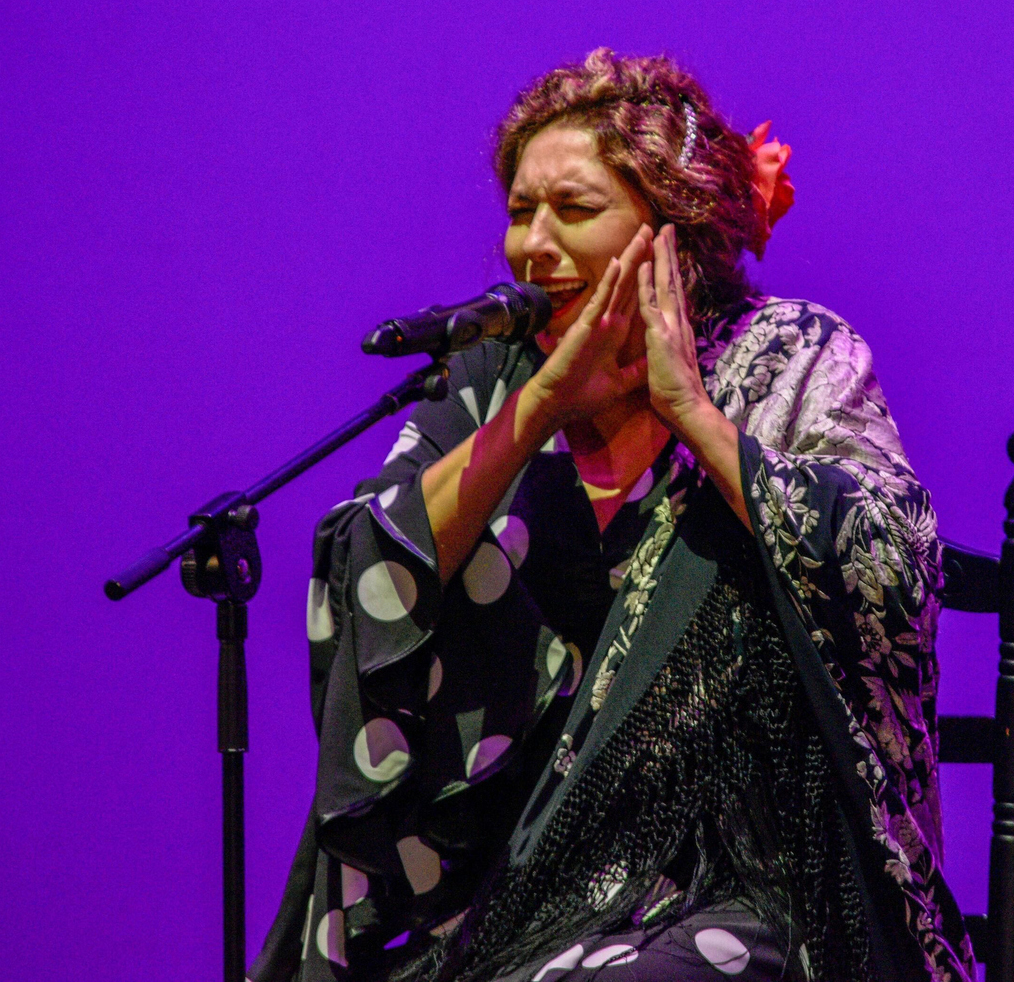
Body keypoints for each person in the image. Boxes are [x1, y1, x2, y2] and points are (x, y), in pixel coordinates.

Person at [250, 49, 975, 982]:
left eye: (573, 208)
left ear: (672, 229)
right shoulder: (500, 379)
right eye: (520, 211)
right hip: (505, 890)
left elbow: (891, 566)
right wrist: (540, 406)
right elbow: (374, 563)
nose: (532, 244)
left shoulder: (789, 355)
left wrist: (695, 417)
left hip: (746, 880)